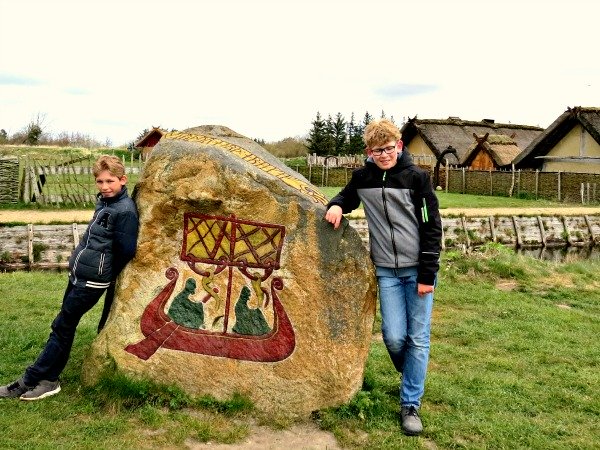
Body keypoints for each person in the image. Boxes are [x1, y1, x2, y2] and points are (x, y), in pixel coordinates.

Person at [324, 119, 442, 436]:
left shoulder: (418, 179)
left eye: (389, 148)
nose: (385, 154)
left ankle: (410, 405)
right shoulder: (363, 178)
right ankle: (413, 373)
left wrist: (428, 273)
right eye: (378, 150)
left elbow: (431, 227)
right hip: (386, 272)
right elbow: (346, 197)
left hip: (418, 270)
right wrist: (335, 205)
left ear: (399, 146)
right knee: (393, 336)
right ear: (370, 151)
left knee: (417, 339)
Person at [0, 155, 139, 401]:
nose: (105, 186)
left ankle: (30, 380)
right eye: (100, 181)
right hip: (79, 274)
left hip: (93, 280)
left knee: (62, 326)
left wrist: (104, 271)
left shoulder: (124, 211)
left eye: (110, 181)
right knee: (63, 327)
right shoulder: (104, 204)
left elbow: (126, 249)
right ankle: (49, 379)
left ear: (122, 180)